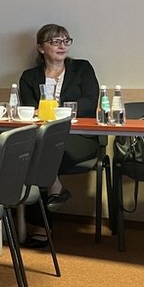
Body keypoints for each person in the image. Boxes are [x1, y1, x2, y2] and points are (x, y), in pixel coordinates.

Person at [17, 23, 100, 247]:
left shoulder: (82, 69)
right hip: (43, 138)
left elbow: (90, 103)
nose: (62, 46)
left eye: (65, 41)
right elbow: (28, 108)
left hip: (80, 138)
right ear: (41, 48)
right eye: (55, 41)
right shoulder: (29, 77)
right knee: (32, 155)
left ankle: (42, 227)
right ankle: (54, 189)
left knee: (36, 157)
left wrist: (56, 107)